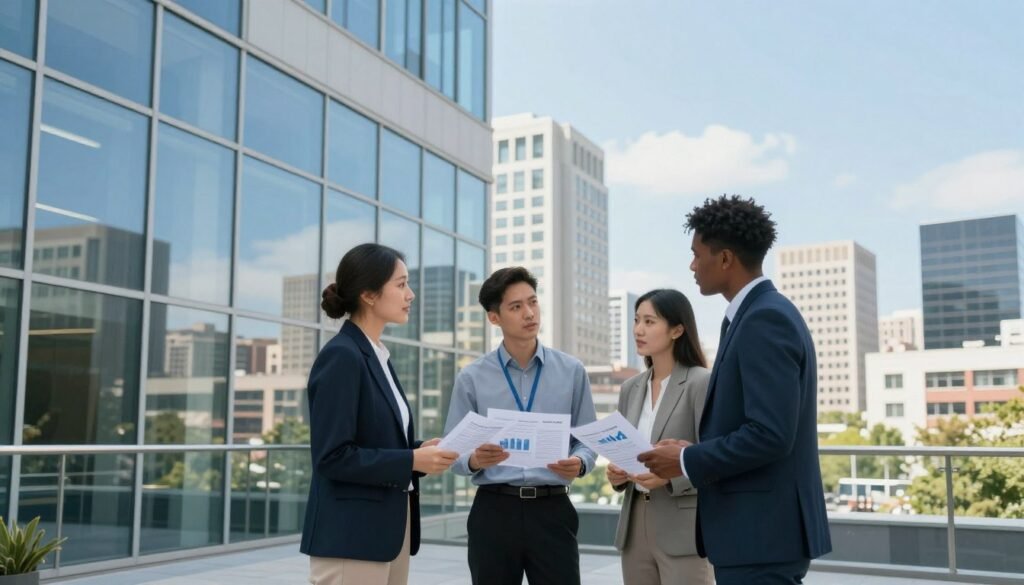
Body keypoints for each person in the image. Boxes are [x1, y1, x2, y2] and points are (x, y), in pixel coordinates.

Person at [638, 195, 832, 585]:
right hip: (754, 536)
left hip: (762, 536)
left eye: (697, 254)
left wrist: (687, 460)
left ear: (725, 259)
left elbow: (771, 434)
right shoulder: (753, 315)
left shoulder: (765, 318)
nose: (692, 265)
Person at [300, 243, 459, 585]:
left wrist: (419, 450)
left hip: (388, 533)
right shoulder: (342, 356)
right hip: (351, 539)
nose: (410, 294)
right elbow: (332, 457)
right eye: (401, 285)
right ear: (370, 295)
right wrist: (411, 461)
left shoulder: (377, 356)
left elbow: (374, 440)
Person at [443, 266, 598, 585]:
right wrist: (473, 460)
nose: (529, 313)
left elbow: (588, 439)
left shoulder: (571, 372)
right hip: (494, 510)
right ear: (494, 317)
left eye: (533, 302)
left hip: (553, 509)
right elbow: (452, 451)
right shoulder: (472, 378)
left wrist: (580, 463)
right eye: (516, 307)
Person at [606, 289, 713, 585]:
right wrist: (618, 475)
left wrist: (671, 477)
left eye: (650, 322)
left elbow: (715, 458)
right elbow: (626, 449)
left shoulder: (700, 382)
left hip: (684, 527)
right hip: (634, 523)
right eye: (637, 320)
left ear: (677, 329)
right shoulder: (630, 388)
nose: (638, 330)